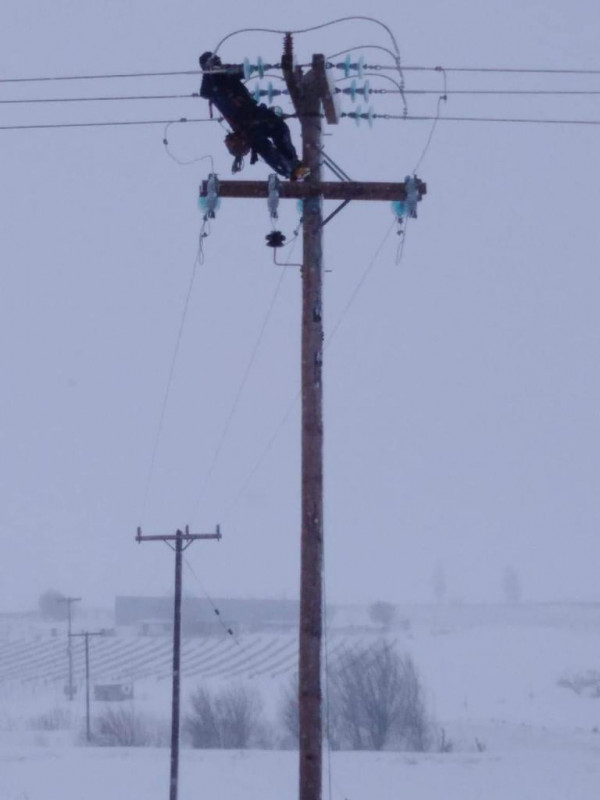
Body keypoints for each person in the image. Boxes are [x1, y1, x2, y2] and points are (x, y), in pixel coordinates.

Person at [199, 51, 307, 180]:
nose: (218, 63)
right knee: (265, 147)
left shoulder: (227, 74)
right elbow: (204, 92)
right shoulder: (210, 86)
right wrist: (208, 72)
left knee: (280, 128)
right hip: (244, 125)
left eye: (217, 60)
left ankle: (294, 163)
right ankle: (290, 171)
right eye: (214, 62)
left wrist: (234, 69)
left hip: (256, 113)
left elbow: (243, 70)